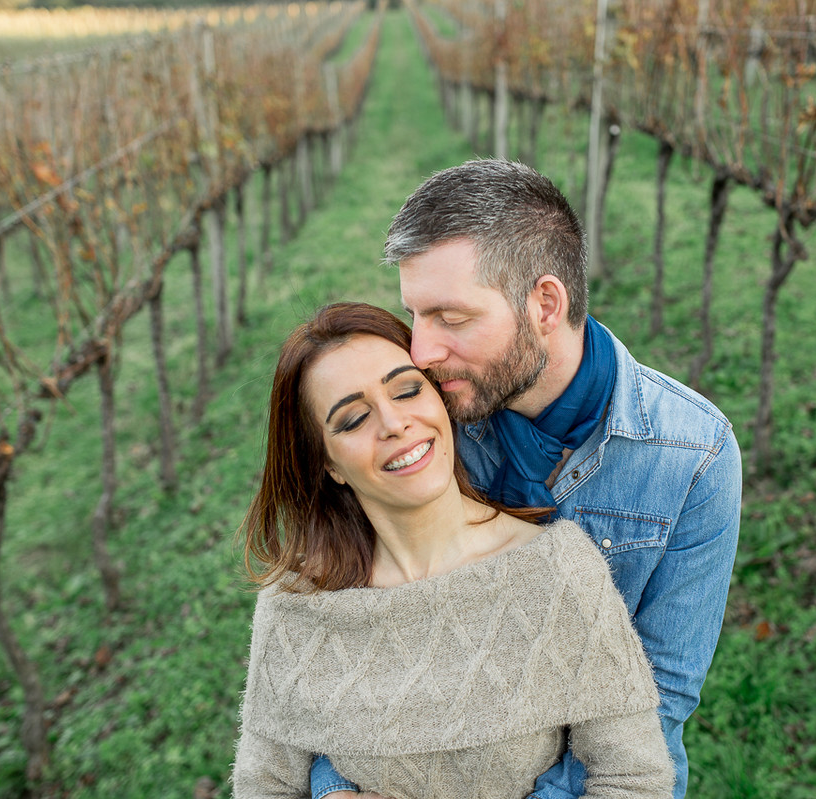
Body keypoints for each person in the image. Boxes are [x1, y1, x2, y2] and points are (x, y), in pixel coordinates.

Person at [311, 160, 742, 799]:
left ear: (544, 304)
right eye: (415, 315)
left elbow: (660, 695)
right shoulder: (423, 431)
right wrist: (337, 787)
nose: (421, 352)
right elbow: (348, 642)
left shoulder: (693, 455)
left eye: (451, 317)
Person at [232, 302, 675, 799]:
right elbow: (263, 787)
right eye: (353, 419)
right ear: (328, 464)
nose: (394, 423)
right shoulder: (297, 604)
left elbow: (636, 781)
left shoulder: (557, 570)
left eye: (407, 390)